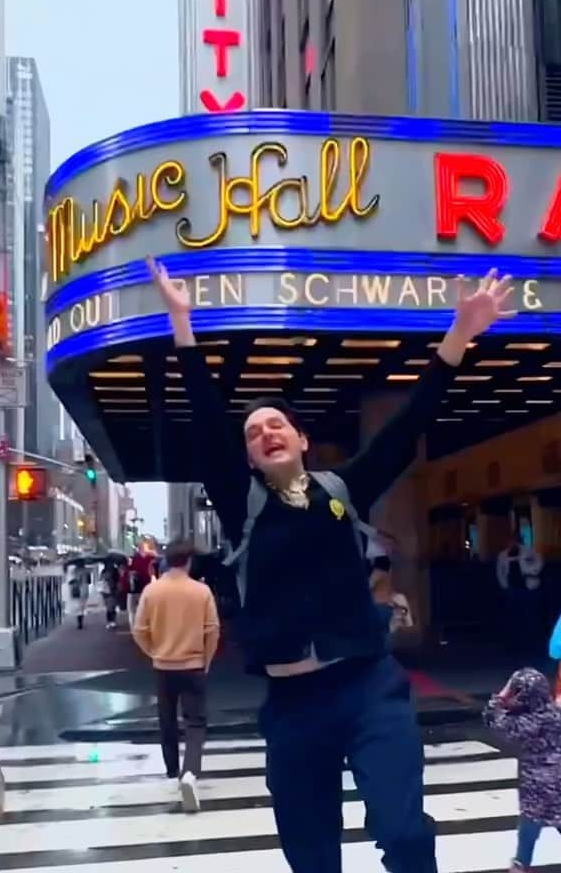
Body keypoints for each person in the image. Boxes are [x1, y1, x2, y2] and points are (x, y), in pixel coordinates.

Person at [148, 258, 514, 873]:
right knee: (312, 856)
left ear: (300, 438)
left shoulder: (344, 489)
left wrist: (459, 337)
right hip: (293, 705)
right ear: (249, 457)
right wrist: (181, 323)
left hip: (369, 686)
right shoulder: (245, 508)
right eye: (254, 431)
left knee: (403, 833)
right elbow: (208, 426)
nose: (266, 431)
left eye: (277, 423)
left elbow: (405, 427)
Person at [132, 537, 220, 812]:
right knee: (196, 722)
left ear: (167, 561)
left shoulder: (152, 591)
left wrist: (154, 651)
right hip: (193, 664)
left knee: (167, 719)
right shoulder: (201, 591)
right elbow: (212, 629)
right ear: (190, 561)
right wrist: (205, 660)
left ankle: (172, 769)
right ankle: (190, 771)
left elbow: (139, 630)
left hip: (163, 665)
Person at [483, 668, 561, 870]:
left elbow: (491, 718)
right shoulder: (555, 713)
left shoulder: (524, 722)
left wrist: (502, 696)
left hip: (538, 782)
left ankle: (521, 864)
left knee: (530, 824)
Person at [67, 563, 90, 629]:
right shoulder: (86, 571)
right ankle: (80, 622)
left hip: (76, 590)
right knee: (81, 607)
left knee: (78, 607)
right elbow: (89, 581)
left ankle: (80, 623)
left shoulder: (73, 571)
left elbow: (70, 582)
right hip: (84, 590)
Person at [100, 559, 120, 629]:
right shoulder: (104, 571)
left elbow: (118, 580)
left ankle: (112, 621)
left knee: (111, 607)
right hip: (107, 591)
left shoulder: (114, 571)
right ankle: (110, 621)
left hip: (112, 590)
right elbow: (102, 580)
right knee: (109, 607)